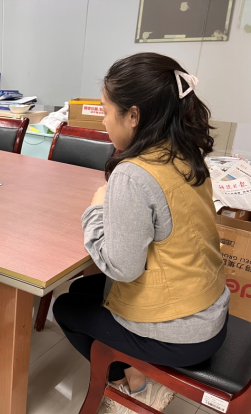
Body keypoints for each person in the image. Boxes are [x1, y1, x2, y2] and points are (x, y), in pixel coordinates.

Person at [53, 53, 229, 413]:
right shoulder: (186, 153)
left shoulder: (134, 174)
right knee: (85, 289)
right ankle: (135, 373)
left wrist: (97, 208)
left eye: (105, 111)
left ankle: (132, 384)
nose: (103, 121)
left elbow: (122, 268)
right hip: (210, 310)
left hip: (183, 335)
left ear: (133, 115)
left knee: (66, 307)